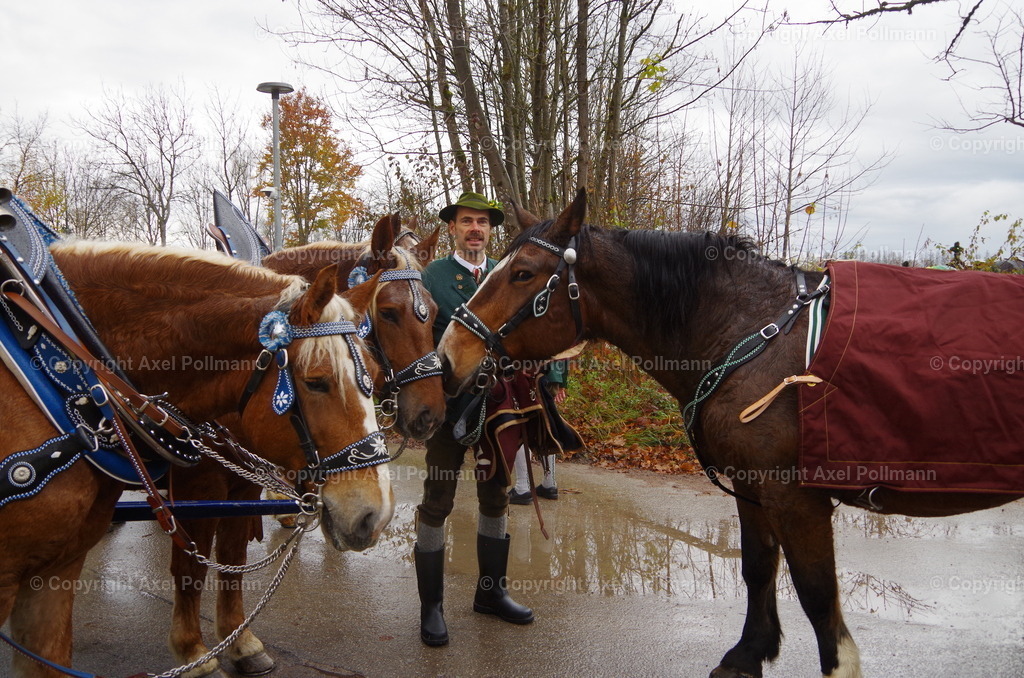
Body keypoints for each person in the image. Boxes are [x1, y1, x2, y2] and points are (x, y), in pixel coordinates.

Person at [414, 191, 534, 647]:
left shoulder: (506, 275)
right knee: (437, 499)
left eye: (482, 223)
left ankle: (491, 593)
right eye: (467, 221)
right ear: (452, 228)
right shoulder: (432, 276)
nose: (475, 230)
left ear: (491, 229)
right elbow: (416, 338)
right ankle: (431, 607)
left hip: (498, 405)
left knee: (496, 495)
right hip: (449, 404)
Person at [508, 360, 568, 504]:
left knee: (522, 423)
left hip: (531, 374)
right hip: (551, 376)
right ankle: (549, 484)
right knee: (545, 424)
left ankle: (522, 488)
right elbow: (568, 347)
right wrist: (561, 381)